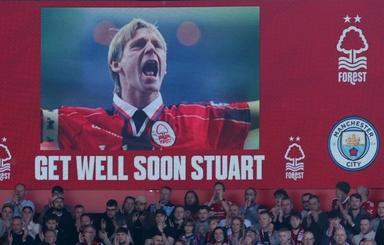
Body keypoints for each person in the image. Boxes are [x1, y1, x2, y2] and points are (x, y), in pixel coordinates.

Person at [40, 18, 259, 150]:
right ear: (116, 64)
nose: (150, 49)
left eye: (157, 46)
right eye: (138, 45)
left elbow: (272, 111)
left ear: (164, 68)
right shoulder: (79, 123)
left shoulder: (199, 120)